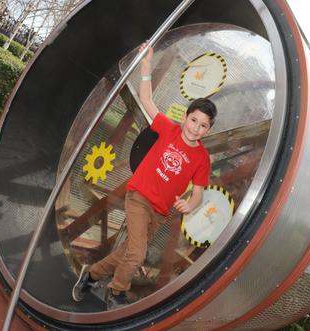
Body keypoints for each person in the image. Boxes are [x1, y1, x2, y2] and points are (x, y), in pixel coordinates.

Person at [72, 42, 217, 309]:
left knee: (129, 253)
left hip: (160, 211)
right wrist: (147, 67)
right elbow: (147, 100)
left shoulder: (202, 158)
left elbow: (198, 192)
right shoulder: (168, 128)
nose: (196, 128)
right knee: (137, 253)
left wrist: (191, 204)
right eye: (194, 121)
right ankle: (116, 291)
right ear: (185, 118)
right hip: (139, 197)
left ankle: (92, 274)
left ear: (208, 130)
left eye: (203, 126)